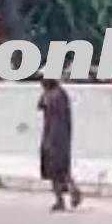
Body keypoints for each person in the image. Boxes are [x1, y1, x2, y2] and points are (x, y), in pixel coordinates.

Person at [37, 78, 82, 211]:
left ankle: (68, 195)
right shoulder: (58, 93)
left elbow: (42, 106)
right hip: (59, 135)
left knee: (57, 169)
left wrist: (49, 141)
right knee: (59, 170)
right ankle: (64, 197)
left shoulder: (53, 95)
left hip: (54, 136)